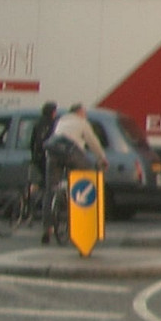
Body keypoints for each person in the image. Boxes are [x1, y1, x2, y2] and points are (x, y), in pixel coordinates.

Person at [42, 103, 107, 244]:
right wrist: (102, 158)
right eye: (84, 113)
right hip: (71, 153)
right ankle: (81, 212)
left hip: (53, 153)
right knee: (88, 174)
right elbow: (93, 142)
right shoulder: (82, 123)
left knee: (50, 189)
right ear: (79, 113)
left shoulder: (61, 121)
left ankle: (47, 228)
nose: (86, 115)